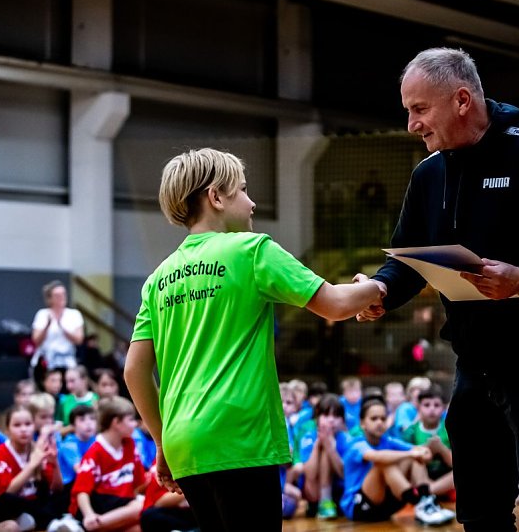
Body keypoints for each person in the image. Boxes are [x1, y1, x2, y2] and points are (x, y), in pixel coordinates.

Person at [355, 47, 519, 531]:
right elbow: (407, 261)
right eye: (407, 110)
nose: (411, 125)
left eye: (419, 109)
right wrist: (379, 289)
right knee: (479, 514)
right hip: (475, 366)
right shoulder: (428, 174)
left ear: (461, 100)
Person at [123, 147, 384, 531]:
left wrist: (161, 442)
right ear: (216, 197)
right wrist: (378, 286)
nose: (252, 202)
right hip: (239, 437)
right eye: (243, 190)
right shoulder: (251, 250)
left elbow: (134, 371)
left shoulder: (158, 279)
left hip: (184, 443)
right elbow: (335, 304)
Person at [339, 396, 454, 526]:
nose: (379, 422)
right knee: (384, 463)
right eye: (374, 418)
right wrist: (412, 453)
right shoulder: (356, 444)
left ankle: (424, 501)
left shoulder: (388, 440)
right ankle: (419, 502)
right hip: (358, 507)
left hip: (387, 505)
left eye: (383, 418)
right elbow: (377, 456)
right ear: (362, 423)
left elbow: (421, 452)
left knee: (413, 458)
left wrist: (424, 452)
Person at [68, 397, 145, 532]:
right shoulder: (96, 452)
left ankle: (97, 526)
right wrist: (89, 515)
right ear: (116, 422)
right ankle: (90, 525)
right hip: (96, 506)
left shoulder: (130, 444)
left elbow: (139, 483)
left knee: (140, 527)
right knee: (141, 506)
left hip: (121, 505)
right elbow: (81, 491)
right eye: (131, 419)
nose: (135, 424)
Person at [0, 405, 62, 531]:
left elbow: (56, 489)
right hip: (0, 512)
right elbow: (8, 492)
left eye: (28, 424)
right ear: (7, 430)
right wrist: (32, 465)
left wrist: (55, 463)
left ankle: (36, 521)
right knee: (9, 499)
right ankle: (50, 521)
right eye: (17, 425)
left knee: (64, 493)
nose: (23, 429)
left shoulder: (38, 449)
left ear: (34, 426)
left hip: (30, 506)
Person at [294, 393, 351, 520]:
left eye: (336, 416)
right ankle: (324, 502)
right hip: (314, 494)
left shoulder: (346, 439)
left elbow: (345, 474)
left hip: (339, 493)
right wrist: (317, 445)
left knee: (327, 450)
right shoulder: (308, 437)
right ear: (317, 418)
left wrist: (331, 449)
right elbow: (310, 474)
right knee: (322, 449)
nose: (331, 420)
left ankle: (327, 500)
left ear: (342, 420)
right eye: (326, 415)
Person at [400, 385, 454, 498]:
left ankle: (427, 492)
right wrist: (426, 449)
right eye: (426, 405)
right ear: (418, 408)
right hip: (420, 478)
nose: (432, 409)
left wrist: (441, 449)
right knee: (415, 459)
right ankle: (428, 493)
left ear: (444, 408)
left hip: (446, 480)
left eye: (437, 405)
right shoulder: (410, 432)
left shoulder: (451, 427)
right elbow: (405, 464)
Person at [30, 281, 84, 377]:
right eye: (57, 295)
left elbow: (79, 340)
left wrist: (62, 326)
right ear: (50, 298)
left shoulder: (74, 314)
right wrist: (47, 325)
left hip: (67, 361)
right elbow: (36, 340)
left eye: (63, 294)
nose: (61, 297)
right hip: (46, 361)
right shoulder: (42, 314)